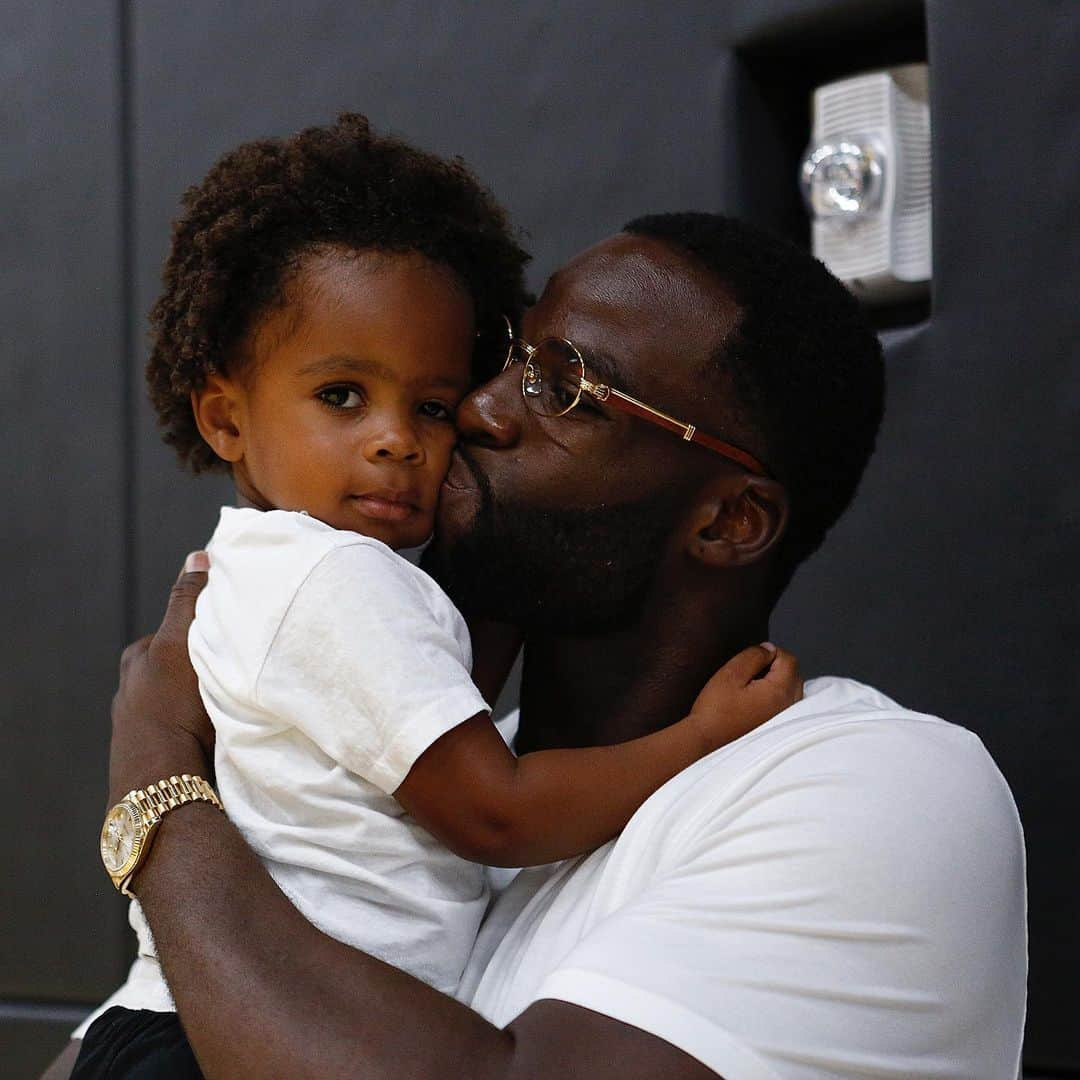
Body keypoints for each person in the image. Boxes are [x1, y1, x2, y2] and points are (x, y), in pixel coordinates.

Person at [53, 212, 1026, 1079]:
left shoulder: (879, 789)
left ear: (730, 520)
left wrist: (158, 789)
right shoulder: (425, 771)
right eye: (514, 353)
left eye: (568, 385)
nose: (477, 407)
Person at [67, 119, 801, 1078]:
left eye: (431, 405)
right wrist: (700, 740)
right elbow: (493, 812)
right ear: (226, 416)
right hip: (221, 1041)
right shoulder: (331, 581)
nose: (395, 441)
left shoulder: (278, 567)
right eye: (341, 395)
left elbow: (439, 691)